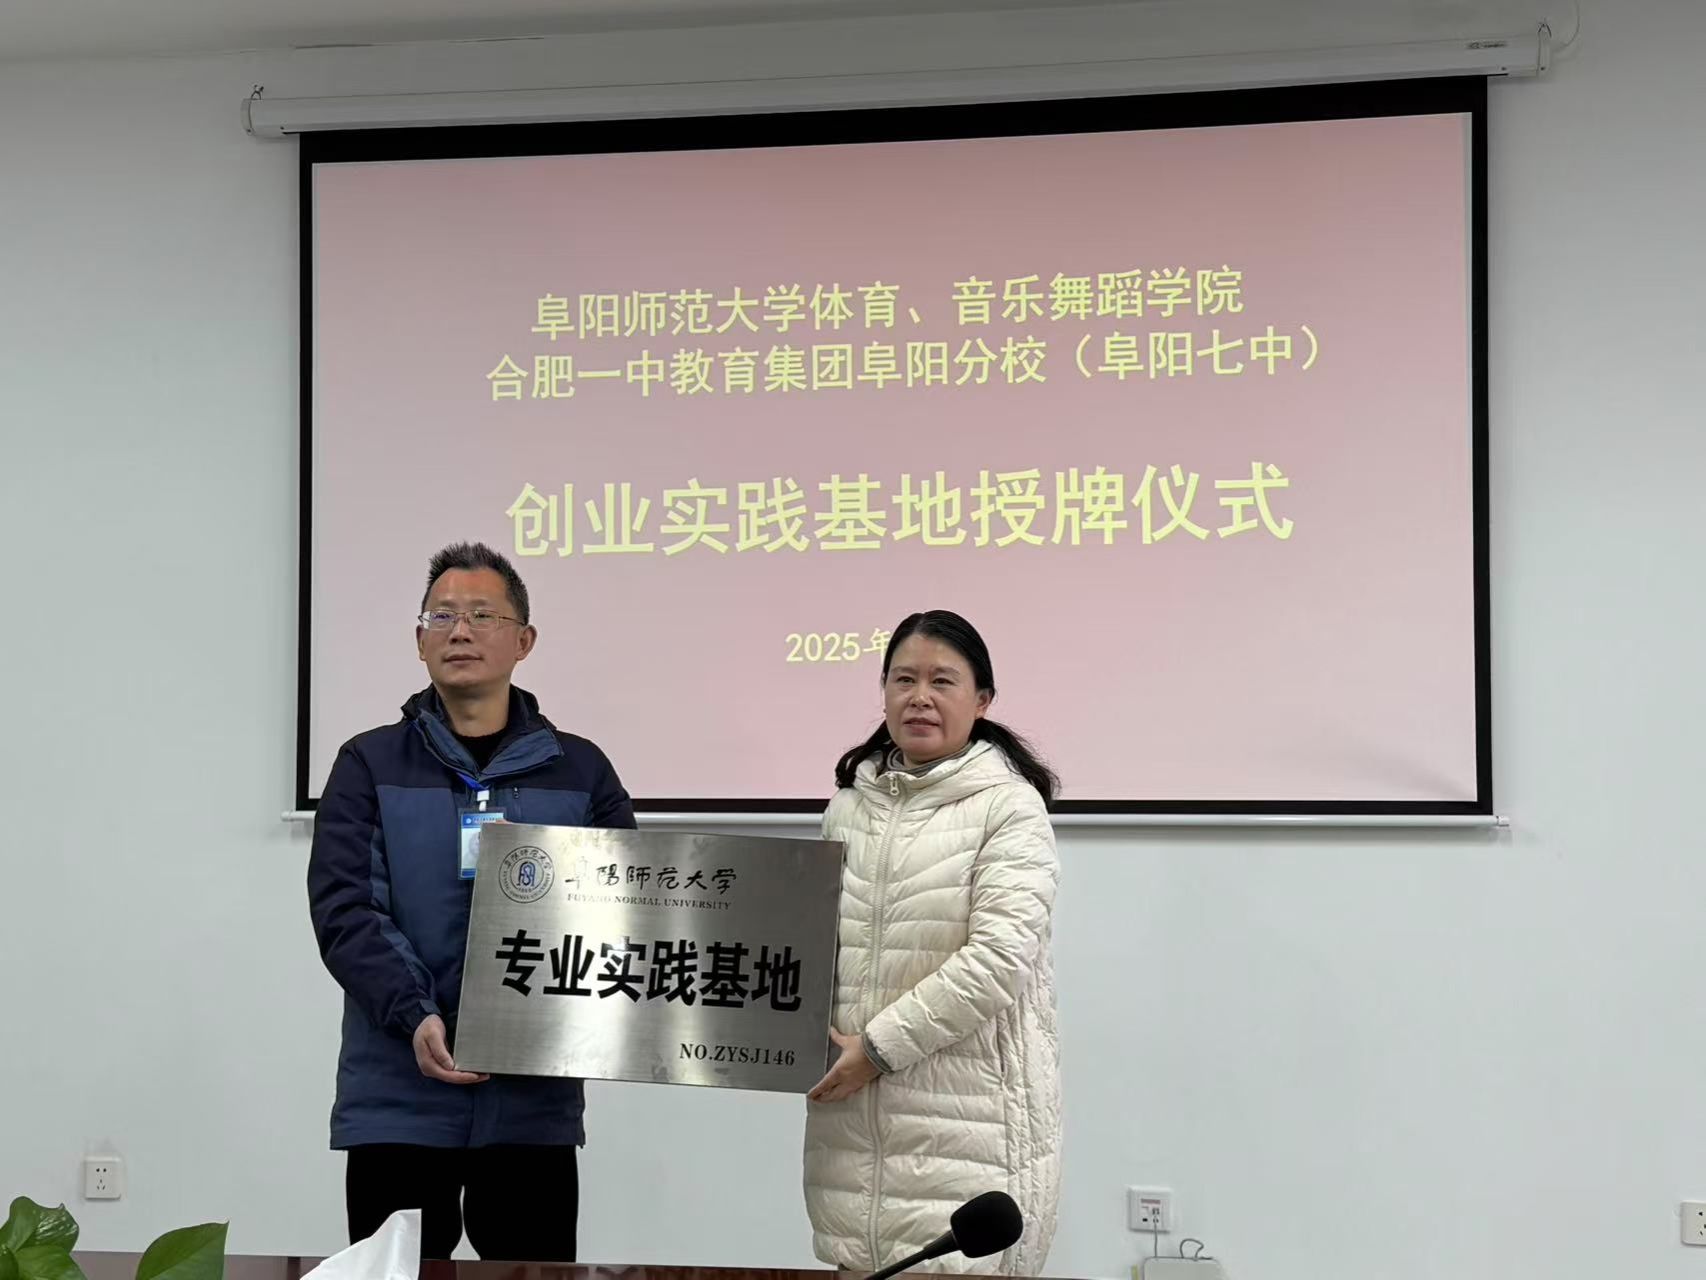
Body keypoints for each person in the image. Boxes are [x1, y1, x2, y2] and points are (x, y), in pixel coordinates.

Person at [307, 542, 634, 1261]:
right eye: (443, 616)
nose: (460, 631)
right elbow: (346, 909)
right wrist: (415, 1014)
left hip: (531, 1103)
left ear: (524, 640)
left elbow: (620, 913)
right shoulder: (367, 763)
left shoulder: (581, 771)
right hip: (397, 1094)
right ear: (418, 639)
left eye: (483, 615)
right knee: (395, 1277)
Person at [803, 610, 1062, 1276]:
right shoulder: (846, 809)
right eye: (903, 679)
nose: (919, 696)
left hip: (971, 1133)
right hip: (851, 1136)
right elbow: (809, 948)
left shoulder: (1009, 807)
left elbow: (997, 961)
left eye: (942, 681)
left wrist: (878, 1050)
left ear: (982, 701)